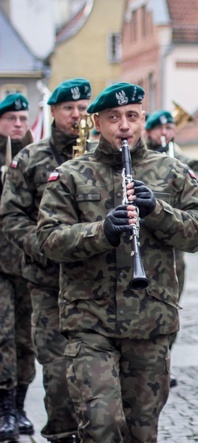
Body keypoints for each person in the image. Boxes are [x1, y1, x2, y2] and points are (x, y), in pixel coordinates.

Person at [36, 82, 198, 442]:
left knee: (142, 430)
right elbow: (48, 240)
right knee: (100, 422)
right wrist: (100, 231)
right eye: (114, 117)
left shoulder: (172, 171)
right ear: (98, 122)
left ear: (142, 120)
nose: (124, 126)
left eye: (131, 116)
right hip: (90, 320)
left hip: (151, 321)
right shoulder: (70, 175)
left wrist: (158, 211)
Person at [0, 79, 91, 443]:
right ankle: (32, 417)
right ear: (52, 111)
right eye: (69, 108)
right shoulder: (32, 159)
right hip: (39, 273)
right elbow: (11, 216)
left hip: (90, 279)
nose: (77, 115)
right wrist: (43, 245)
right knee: (46, 359)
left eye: (83, 108)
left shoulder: (102, 156)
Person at [143, 108, 198, 387]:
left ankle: (163, 362)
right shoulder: (138, 161)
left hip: (173, 247)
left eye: (170, 128)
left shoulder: (184, 160)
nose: (164, 133)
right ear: (148, 132)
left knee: (169, 305)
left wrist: (184, 170)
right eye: (159, 129)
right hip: (142, 242)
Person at [0, 93, 35, 441]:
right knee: (2, 335)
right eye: (11, 118)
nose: (18, 125)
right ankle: (5, 407)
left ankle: (20, 406)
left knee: (27, 339)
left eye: (23, 119)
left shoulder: (33, 158)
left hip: (26, 262)